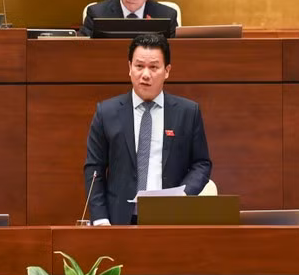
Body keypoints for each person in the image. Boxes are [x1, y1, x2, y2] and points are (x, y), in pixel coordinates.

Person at [83, 33, 212, 225]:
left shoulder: (187, 112)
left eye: (153, 67)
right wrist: (101, 218)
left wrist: (184, 194)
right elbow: (94, 169)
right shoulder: (107, 112)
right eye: (139, 66)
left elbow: (201, 163)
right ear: (129, 68)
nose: (145, 74)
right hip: (119, 219)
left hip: (171, 217)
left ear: (167, 71)